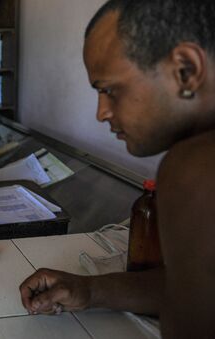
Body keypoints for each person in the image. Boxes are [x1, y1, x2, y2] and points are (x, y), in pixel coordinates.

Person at [18, 1, 215, 337]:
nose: (101, 113)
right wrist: (91, 291)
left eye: (109, 90)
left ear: (186, 69)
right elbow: (191, 285)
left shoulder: (195, 166)